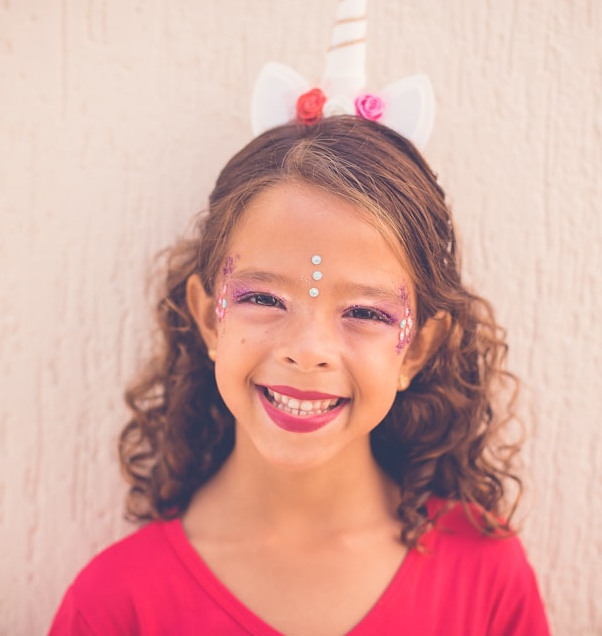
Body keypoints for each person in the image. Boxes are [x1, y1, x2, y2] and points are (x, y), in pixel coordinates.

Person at [47, 115, 550, 635]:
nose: (308, 352)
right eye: (263, 299)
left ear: (418, 348)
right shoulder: (117, 603)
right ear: (207, 318)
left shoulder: (485, 576)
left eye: (366, 312)